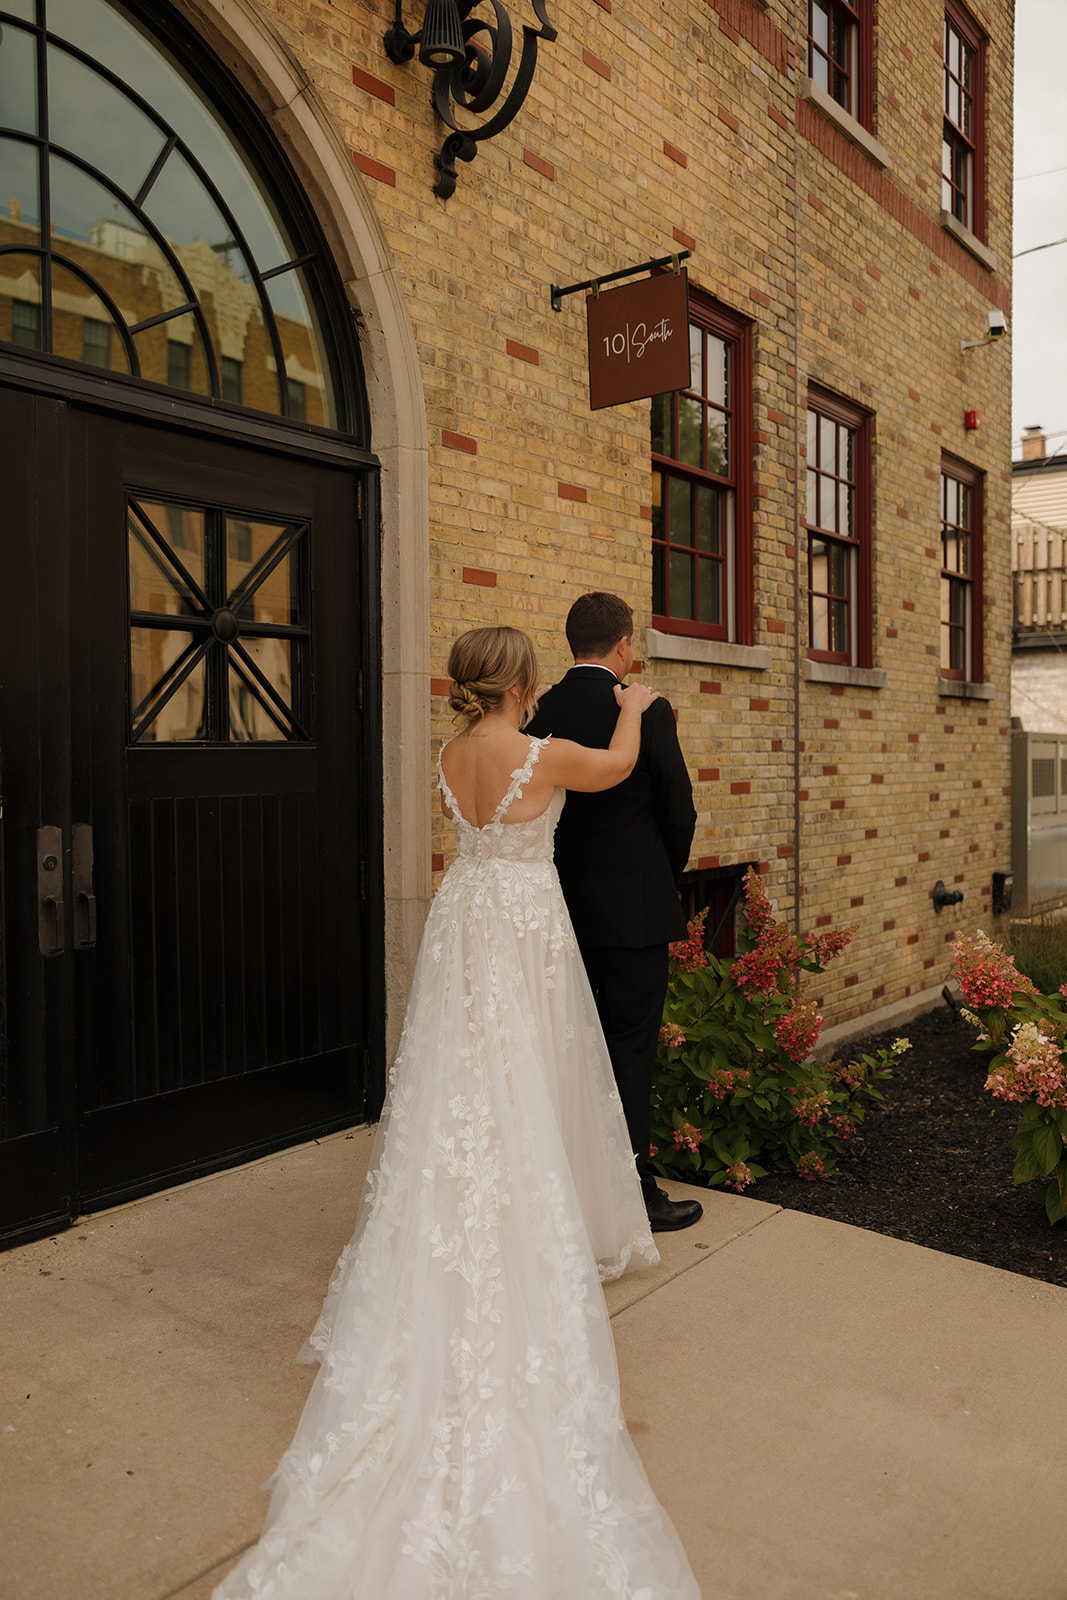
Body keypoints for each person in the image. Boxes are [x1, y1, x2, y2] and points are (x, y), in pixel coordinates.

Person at [214, 625, 701, 1600]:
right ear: (520, 681)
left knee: (463, 1080)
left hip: (467, 923)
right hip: (522, 926)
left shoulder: (448, 755)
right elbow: (611, 768)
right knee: (528, 1073)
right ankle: (533, 1219)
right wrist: (640, 709)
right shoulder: (544, 753)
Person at [528, 593, 702, 1233]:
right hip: (632, 915)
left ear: (572, 641)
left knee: (564, 1049)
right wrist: (661, 876)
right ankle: (637, 1194)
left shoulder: (538, 708)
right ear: (624, 645)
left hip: (554, 909)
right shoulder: (645, 709)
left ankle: (565, 1184)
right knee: (628, 1052)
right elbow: (678, 808)